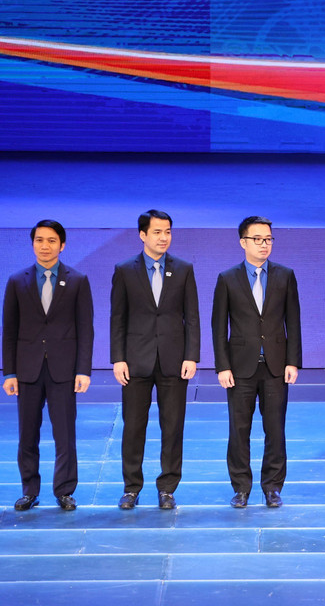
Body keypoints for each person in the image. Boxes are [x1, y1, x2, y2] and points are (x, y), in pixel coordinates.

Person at [110, 210, 200, 510]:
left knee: (172, 426)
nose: (164, 238)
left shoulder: (184, 269)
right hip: (135, 361)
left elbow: (193, 317)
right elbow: (118, 318)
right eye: (158, 232)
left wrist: (192, 356)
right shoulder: (124, 270)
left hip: (174, 361)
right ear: (142, 235)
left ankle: (167, 488)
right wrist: (118, 358)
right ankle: (131, 487)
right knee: (133, 426)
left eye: (168, 232)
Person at [2, 220, 93, 511]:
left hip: (63, 371)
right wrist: (10, 373)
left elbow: (85, 329)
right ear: (32, 244)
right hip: (27, 370)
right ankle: (30, 489)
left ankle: (64, 490)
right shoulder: (17, 281)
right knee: (27, 434)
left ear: (62, 245)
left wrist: (83, 370)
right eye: (40, 240)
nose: (45, 246)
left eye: (52, 240)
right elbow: (9, 330)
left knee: (64, 433)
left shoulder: (77, 280)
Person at [212, 216, 302, 509]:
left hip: (276, 365)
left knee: (275, 429)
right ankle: (241, 487)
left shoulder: (285, 275)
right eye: (258, 239)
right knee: (239, 429)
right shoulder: (227, 278)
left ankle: (273, 487)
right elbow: (218, 326)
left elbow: (294, 321)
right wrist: (222, 366)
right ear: (243, 242)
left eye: (268, 239)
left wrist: (293, 361)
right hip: (240, 367)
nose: (264, 244)